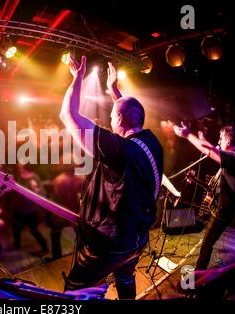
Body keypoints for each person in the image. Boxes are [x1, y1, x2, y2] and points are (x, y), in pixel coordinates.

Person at [59, 56, 163, 299]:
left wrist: (77, 78)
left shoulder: (119, 150)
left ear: (118, 120)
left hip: (110, 245)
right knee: (125, 277)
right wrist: (114, 89)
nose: (109, 121)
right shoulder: (151, 141)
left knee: (75, 289)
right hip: (137, 239)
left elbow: (68, 114)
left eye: (113, 117)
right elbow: (128, 113)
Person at [173, 124, 235, 270]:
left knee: (206, 245)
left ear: (228, 141)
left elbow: (209, 150)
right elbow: (212, 188)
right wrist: (195, 180)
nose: (219, 142)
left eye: (221, 138)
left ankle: (197, 280)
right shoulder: (229, 161)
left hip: (221, 213)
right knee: (206, 243)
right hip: (217, 208)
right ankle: (198, 277)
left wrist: (187, 135)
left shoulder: (234, 158)